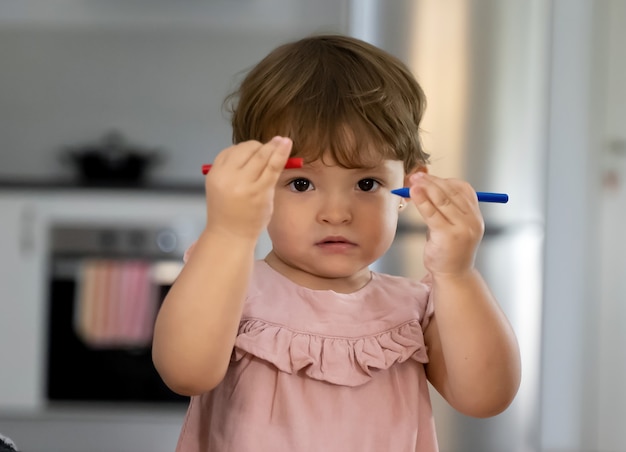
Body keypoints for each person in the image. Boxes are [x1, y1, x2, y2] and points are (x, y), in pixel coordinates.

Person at [152, 34, 521, 452]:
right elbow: (184, 372)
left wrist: (457, 273)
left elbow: (486, 398)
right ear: (255, 182)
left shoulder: (414, 308)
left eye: (366, 183)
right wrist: (228, 234)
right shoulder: (228, 282)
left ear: (410, 186)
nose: (336, 212)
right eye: (301, 183)